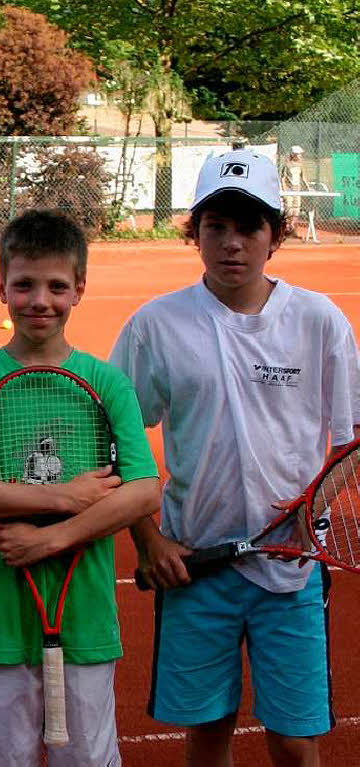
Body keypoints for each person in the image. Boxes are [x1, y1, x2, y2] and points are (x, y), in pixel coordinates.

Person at [110, 148, 360, 767]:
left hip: (291, 571)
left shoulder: (319, 320)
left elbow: (352, 439)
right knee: (208, 732)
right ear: (194, 233)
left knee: (296, 741)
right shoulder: (155, 325)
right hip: (194, 564)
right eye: (214, 226)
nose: (231, 243)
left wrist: (312, 509)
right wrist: (149, 540)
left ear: (275, 235)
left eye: (248, 227)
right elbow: (118, 445)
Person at [0, 210, 160, 766]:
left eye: (58, 286)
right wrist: (62, 498)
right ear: (1, 287)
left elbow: (145, 491)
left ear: (79, 289)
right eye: (24, 284)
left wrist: (51, 540)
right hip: (0, 613)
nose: (41, 300)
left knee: (87, 758)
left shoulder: (106, 382)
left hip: (84, 614)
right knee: (2, 756)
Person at [280, 145, 309, 236]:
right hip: (288, 191)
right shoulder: (287, 165)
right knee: (289, 208)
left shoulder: (301, 165)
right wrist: (284, 190)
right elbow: (283, 178)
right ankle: (287, 228)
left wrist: (308, 187)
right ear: (293, 155)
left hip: (297, 190)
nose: (300, 156)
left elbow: (303, 177)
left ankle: (293, 228)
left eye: (300, 154)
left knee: (296, 208)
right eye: (299, 154)